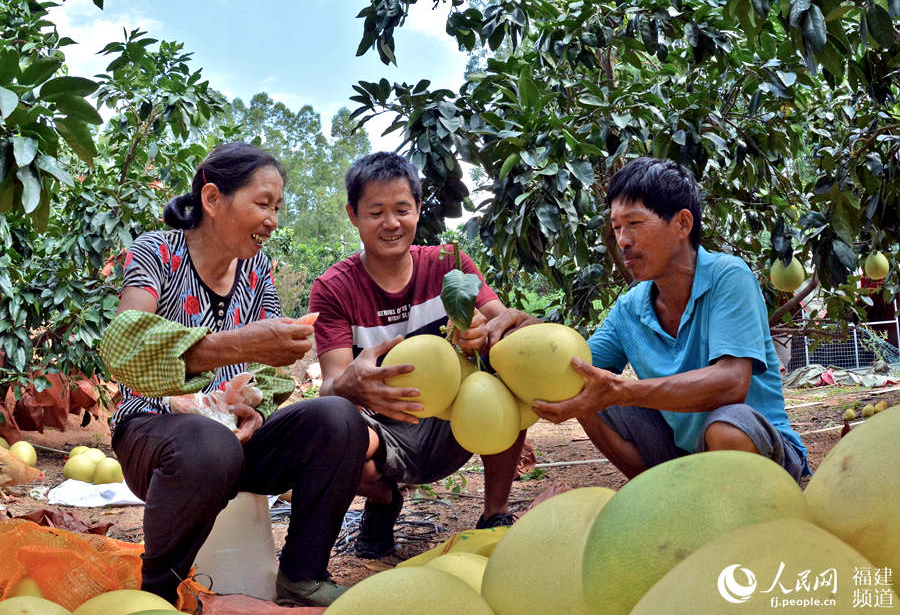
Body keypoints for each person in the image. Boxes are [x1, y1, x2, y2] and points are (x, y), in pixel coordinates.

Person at [99, 142, 367, 607]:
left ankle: (302, 574)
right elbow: (123, 346)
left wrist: (254, 405)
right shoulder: (157, 252)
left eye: (277, 208)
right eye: (263, 203)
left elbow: (269, 374)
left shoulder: (257, 269)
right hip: (156, 434)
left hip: (236, 439)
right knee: (208, 443)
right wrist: (235, 346)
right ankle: (161, 591)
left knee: (338, 418)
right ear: (211, 199)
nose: (273, 220)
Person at [488, 157, 810, 482]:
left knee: (728, 425)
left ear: (683, 224)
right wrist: (531, 336)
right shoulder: (630, 307)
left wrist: (626, 390)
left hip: (767, 458)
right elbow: (575, 366)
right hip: (688, 461)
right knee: (587, 392)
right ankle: (662, 500)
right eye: (616, 228)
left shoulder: (728, 276)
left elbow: (731, 384)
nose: (623, 241)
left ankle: (742, 514)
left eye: (635, 224)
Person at [308, 151, 526, 560]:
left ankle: (495, 513)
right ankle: (383, 498)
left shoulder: (450, 264)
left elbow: (509, 331)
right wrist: (351, 383)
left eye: (401, 209)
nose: (391, 223)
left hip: (452, 419)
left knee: (507, 372)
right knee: (331, 428)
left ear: (418, 209)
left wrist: (488, 332)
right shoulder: (334, 288)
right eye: (376, 212)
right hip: (382, 428)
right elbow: (330, 386)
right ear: (353, 215)